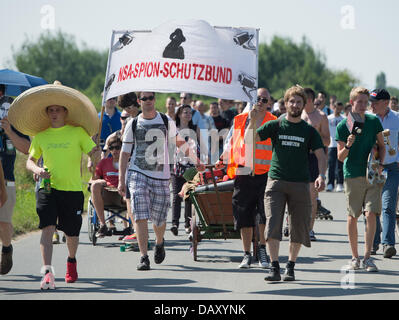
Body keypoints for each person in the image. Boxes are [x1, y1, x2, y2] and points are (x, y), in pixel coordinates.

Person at [16, 83, 100, 289]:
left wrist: (95, 153)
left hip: (71, 190)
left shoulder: (78, 132)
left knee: (71, 233)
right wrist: (37, 170)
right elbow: (30, 160)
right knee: (47, 227)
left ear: (65, 111)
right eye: (50, 110)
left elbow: (93, 154)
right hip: (47, 188)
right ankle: (47, 273)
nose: (54, 113)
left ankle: (71, 260)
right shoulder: (42, 135)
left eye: (57, 110)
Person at [247, 85, 326, 282]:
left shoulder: (309, 131)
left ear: (303, 104)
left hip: (300, 184)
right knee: (273, 225)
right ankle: (274, 267)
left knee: (298, 227)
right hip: (276, 182)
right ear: (286, 103)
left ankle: (290, 266)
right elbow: (250, 140)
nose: (295, 105)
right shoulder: (276, 125)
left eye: (299, 102)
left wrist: (322, 175)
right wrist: (253, 121)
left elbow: (320, 154)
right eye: (292, 101)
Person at [118, 91, 204, 271]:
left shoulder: (166, 121)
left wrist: (196, 161)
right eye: (144, 99)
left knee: (159, 219)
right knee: (140, 214)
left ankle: (159, 242)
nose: (148, 101)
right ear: (139, 101)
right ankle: (143, 256)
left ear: (155, 100)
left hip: (161, 176)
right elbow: (125, 153)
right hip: (137, 173)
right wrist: (121, 180)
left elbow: (180, 142)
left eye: (151, 98)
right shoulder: (133, 123)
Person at [217, 88, 276, 269]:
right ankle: (246, 254)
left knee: (263, 216)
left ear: (269, 103)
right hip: (243, 172)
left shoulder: (273, 121)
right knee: (243, 215)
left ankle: (262, 252)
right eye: (257, 98)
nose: (260, 102)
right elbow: (233, 144)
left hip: (265, 173)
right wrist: (222, 160)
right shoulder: (240, 120)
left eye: (264, 100)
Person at [336, 87, 385, 272]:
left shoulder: (373, 121)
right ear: (352, 103)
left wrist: (380, 163)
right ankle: (355, 257)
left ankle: (368, 257)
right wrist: (348, 145)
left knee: (371, 213)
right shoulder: (343, 126)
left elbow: (382, 146)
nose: (364, 105)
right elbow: (340, 157)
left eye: (366, 102)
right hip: (353, 174)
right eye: (360, 101)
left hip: (373, 174)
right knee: (353, 216)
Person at [0, 84, 30, 276]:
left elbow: (27, 148)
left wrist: (9, 130)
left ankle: (7, 248)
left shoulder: (13, 118)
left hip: (6, 178)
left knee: (3, 221)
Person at [369, 89, 399, 258]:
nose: (371, 105)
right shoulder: (367, 118)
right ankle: (373, 243)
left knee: (388, 206)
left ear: (386, 103)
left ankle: (388, 244)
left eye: (375, 102)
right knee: (372, 208)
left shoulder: (397, 118)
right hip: (373, 167)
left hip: (392, 168)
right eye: (370, 102)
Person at [302, 88, 330, 241]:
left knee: (312, 196)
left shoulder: (321, 117)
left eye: (302, 99)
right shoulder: (296, 115)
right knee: (294, 193)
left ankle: (310, 229)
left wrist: (314, 135)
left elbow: (327, 141)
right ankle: (292, 224)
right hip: (298, 157)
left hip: (314, 157)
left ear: (310, 100)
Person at [170, 105, 200, 236]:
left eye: (190, 112)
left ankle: (187, 224)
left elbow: (201, 145)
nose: (188, 114)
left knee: (189, 195)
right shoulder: (174, 129)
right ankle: (175, 223)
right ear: (179, 114)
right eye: (185, 112)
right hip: (177, 167)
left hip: (191, 167)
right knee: (177, 196)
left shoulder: (195, 128)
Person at [91, 135, 125, 238]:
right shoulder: (103, 163)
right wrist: (100, 180)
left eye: (118, 147)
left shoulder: (127, 163)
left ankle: (134, 229)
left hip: (123, 196)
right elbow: (94, 179)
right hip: (107, 194)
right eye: (111, 148)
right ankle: (103, 224)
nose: (115, 150)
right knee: (95, 185)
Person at [326, 101, 345, 192]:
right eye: (337, 108)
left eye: (340, 108)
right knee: (331, 165)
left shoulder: (344, 118)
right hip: (331, 144)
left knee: (340, 165)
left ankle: (340, 183)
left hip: (341, 144)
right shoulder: (328, 118)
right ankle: (330, 183)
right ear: (334, 107)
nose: (338, 110)